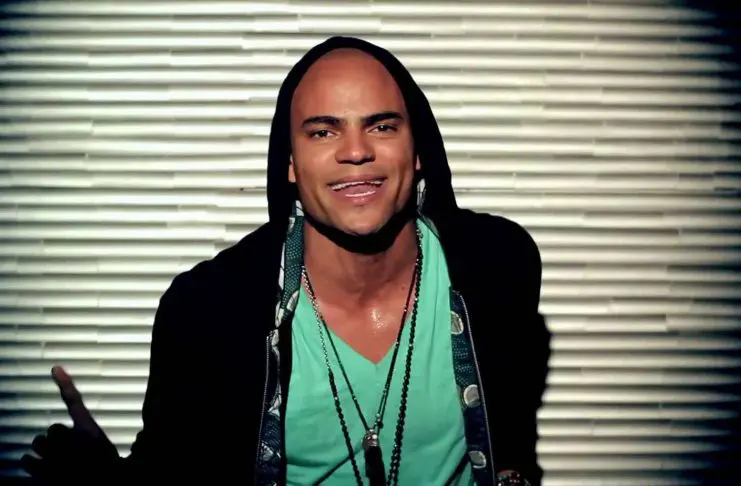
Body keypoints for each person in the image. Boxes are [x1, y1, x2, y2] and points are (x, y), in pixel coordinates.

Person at [22, 36, 550, 486]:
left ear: (418, 153)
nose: (356, 151)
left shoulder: (498, 268)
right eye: (323, 131)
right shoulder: (209, 310)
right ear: (291, 163)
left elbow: (510, 437)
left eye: (382, 126)